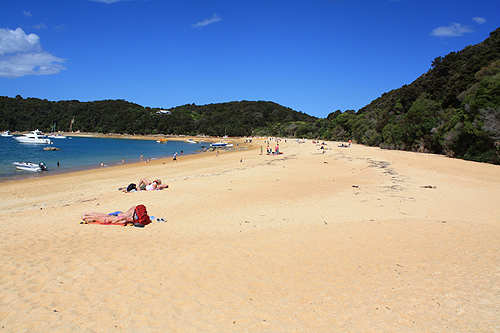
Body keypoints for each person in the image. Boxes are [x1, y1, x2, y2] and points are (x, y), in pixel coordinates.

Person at [81, 205, 151, 226]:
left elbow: (113, 222)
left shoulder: (123, 221)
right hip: (108, 217)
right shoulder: (126, 218)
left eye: (130, 219)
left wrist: (120, 219)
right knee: (99, 215)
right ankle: (88, 214)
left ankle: (85, 217)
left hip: (106, 220)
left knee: (95, 218)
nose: (129, 218)